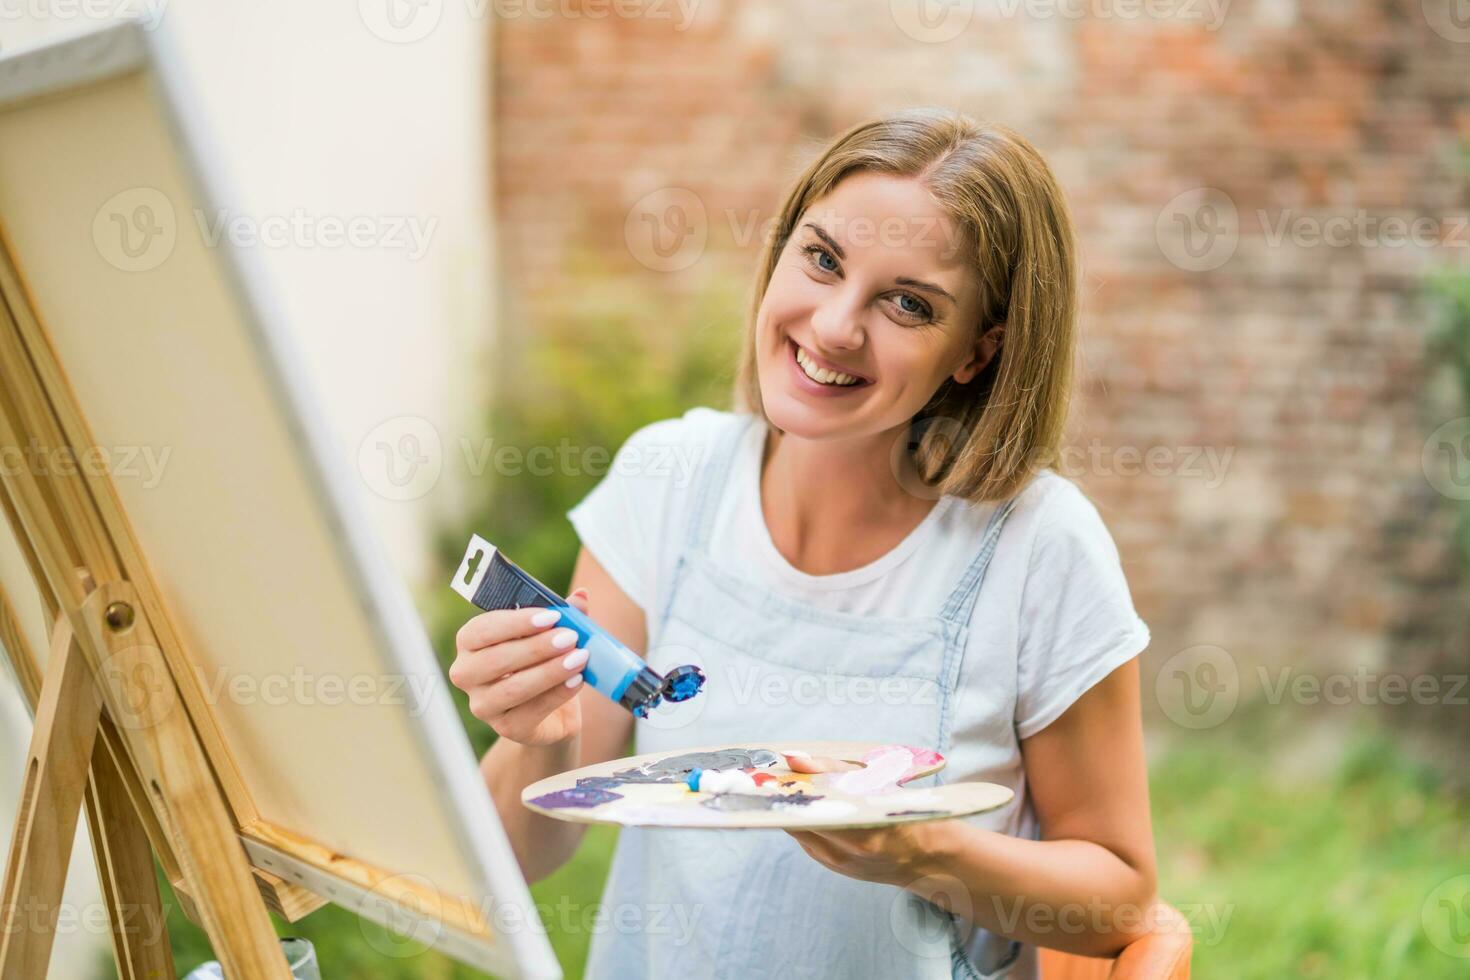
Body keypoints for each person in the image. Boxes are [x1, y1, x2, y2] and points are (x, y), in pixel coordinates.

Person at [450, 107, 1158, 979]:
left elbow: (1120, 900)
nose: (833, 327)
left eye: (907, 303)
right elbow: (513, 857)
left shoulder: (1038, 547)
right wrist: (542, 736)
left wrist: (924, 854)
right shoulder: (668, 481)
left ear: (979, 352)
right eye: (822, 259)